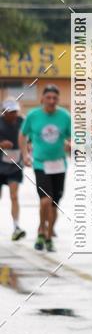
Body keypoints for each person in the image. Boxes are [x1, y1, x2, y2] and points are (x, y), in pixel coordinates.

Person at [19, 84, 71, 252]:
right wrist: (25, 155)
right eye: (48, 98)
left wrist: (71, 144)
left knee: (55, 204)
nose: (51, 101)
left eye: (55, 98)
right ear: (42, 99)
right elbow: (22, 135)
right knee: (45, 200)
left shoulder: (64, 116)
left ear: (58, 100)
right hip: (40, 163)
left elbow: (73, 137)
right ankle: (41, 231)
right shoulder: (33, 116)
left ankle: (48, 236)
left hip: (59, 165)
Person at [0, 99, 26, 241]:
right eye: (10, 112)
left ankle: (16, 227)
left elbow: (31, 138)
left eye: (15, 111)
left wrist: (27, 150)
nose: (14, 114)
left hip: (15, 164)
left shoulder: (23, 122)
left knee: (14, 196)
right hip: (0, 163)